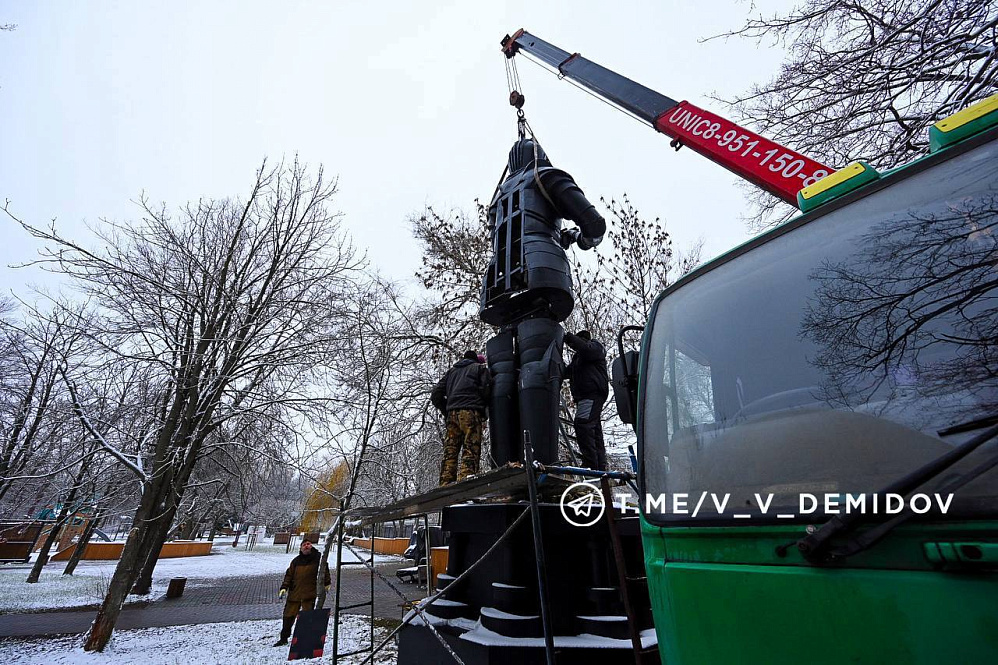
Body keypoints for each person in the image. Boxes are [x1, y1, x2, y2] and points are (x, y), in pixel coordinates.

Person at [479, 135, 605, 467]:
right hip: (543, 276)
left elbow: (511, 232)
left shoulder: (498, 198)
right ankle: (540, 467)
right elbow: (594, 224)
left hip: (498, 289)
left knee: (503, 373)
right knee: (538, 366)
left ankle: (507, 468)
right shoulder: (546, 175)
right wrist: (583, 240)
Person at [431, 350, 491, 485]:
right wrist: (482, 409)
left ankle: (445, 484)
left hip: (452, 415)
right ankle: (465, 482)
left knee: (450, 451)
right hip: (471, 412)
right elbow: (486, 390)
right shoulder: (480, 368)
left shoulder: (451, 372)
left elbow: (435, 395)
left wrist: (447, 410)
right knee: (471, 448)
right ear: (476, 360)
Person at [564, 330, 610, 470]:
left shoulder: (595, 347)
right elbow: (567, 372)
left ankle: (590, 464)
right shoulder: (579, 358)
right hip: (586, 396)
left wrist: (567, 337)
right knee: (594, 430)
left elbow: (585, 349)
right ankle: (600, 466)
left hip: (591, 394)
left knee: (583, 424)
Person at [274, 539, 331, 647]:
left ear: (312, 546)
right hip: (295, 594)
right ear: (301, 548)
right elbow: (289, 575)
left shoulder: (318, 559)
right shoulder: (296, 561)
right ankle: (284, 638)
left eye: (308, 544)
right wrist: (284, 587)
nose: (306, 546)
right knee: (288, 617)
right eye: (304, 545)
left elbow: (324, 571)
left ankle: (306, 639)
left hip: (310, 594)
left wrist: (327, 583)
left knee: (308, 618)